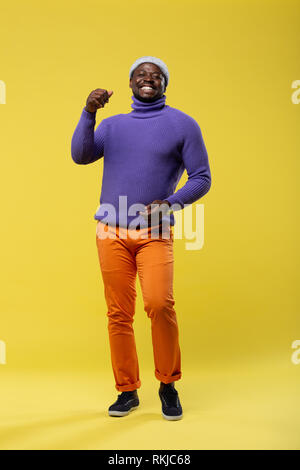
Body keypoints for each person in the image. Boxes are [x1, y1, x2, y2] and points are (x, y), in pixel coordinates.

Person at [71, 56, 212, 421]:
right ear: (130, 83)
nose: (147, 79)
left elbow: (201, 177)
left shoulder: (183, 125)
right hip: (110, 230)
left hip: (154, 232)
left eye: (156, 75)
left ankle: (168, 384)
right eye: (140, 75)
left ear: (165, 83)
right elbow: (81, 155)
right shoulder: (114, 125)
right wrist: (89, 112)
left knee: (159, 304)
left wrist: (171, 202)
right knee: (119, 313)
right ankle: (127, 391)